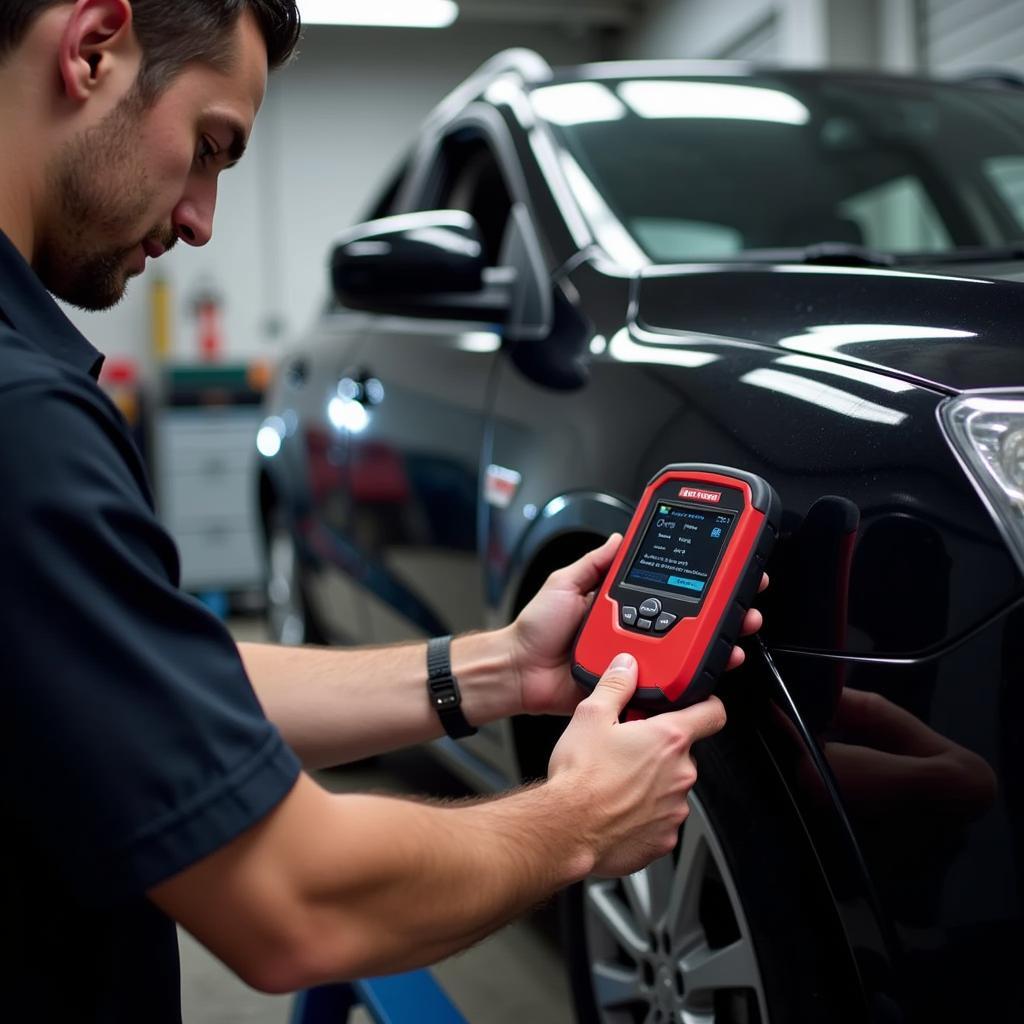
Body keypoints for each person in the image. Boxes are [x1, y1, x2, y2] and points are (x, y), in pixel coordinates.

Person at [0, 2, 763, 1019]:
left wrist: (499, 668)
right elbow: (289, 903)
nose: (200, 218)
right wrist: (579, 817)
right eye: (211, 146)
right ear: (93, 47)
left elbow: (138, 694)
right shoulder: (25, 419)